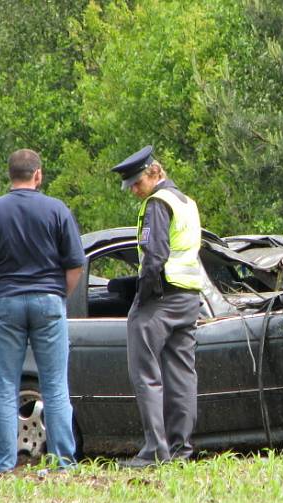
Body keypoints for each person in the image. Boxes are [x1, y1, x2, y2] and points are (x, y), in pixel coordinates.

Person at [0, 149, 85, 474]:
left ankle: (1, 465)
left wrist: (0, 291)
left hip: (7, 302)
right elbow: (75, 262)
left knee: (5, 386)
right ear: (38, 175)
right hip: (49, 300)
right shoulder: (56, 209)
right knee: (55, 386)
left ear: (11, 175)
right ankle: (65, 464)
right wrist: (58, 295)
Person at [111, 145, 203, 468]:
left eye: (137, 182)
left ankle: (155, 451)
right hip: (189, 299)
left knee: (146, 374)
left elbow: (154, 258)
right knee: (182, 375)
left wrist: (140, 298)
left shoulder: (157, 204)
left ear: (155, 172)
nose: (134, 190)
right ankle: (180, 450)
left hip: (160, 299)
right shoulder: (187, 202)